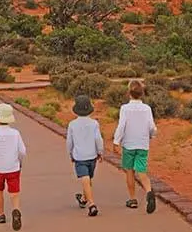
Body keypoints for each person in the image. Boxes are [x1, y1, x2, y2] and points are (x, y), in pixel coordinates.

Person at [113, 79, 158, 214]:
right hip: (143, 144)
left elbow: (122, 125)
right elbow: (152, 127)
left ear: (129, 93)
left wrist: (116, 141)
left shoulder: (125, 109)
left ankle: (133, 199)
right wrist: (152, 135)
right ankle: (149, 191)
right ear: (142, 93)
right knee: (142, 171)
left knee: (129, 171)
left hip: (129, 145)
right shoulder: (147, 109)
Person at [0, 103, 26, 230]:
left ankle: (1, 214)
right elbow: (22, 151)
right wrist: (19, 161)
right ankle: (16, 210)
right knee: (14, 192)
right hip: (13, 167)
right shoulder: (15, 133)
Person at [66, 95, 103, 217]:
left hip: (79, 155)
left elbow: (69, 142)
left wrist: (70, 153)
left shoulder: (72, 124)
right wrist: (100, 151)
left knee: (85, 177)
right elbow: (98, 139)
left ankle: (91, 204)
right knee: (88, 178)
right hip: (92, 155)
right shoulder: (94, 124)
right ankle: (84, 198)